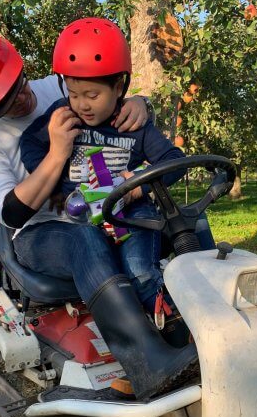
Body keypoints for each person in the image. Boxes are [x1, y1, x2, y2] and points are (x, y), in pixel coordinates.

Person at [0, 22, 199, 400]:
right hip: (41, 232)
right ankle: (148, 362)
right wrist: (57, 153)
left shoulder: (58, 87)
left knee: (189, 222)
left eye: (20, 82)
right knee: (84, 236)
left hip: (109, 211)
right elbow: (11, 213)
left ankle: (199, 330)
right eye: (5, 102)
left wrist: (140, 105)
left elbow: (107, 95)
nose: (23, 98)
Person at [19, 17, 186, 317]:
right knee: (101, 260)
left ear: (119, 86)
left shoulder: (134, 125)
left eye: (92, 95)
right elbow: (29, 145)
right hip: (80, 218)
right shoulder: (62, 117)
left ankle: (172, 324)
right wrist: (55, 179)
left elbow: (174, 161)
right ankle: (133, 327)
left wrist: (138, 184)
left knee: (140, 272)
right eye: (73, 94)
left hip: (132, 215)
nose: (82, 105)